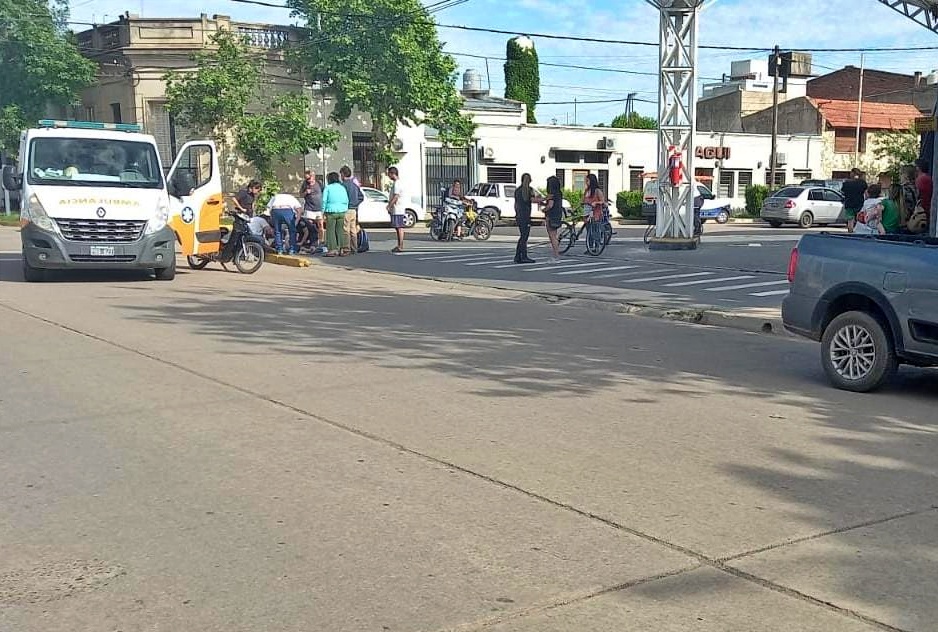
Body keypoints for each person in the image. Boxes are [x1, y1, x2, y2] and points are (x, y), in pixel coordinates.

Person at [322, 172, 351, 257]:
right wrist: (345, 209)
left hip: (331, 211)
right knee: (340, 230)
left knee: (330, 231)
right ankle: (341, 248)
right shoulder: (342, 187)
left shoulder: (328, 188)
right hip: (342, 211)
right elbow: (346, 199)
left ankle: (332, 249)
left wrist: (322, 211)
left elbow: (324, 200)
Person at [266, 189, 303, 255]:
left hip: (275, 210)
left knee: (277, 231)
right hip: (287, 210)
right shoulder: (291, 197)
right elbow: (299, 210)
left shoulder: (276, 196)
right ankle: (292, 249)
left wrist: (272, 217)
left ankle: (279, 249)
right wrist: (296, 221)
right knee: (292, 231)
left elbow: (269, 208)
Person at [513, 173, 540, 264]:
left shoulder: (517, 191)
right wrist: (544, 199)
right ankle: (523, 256)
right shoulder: (529, 190)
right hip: (526, 215)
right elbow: (533, 200)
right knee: (524, 237)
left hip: (519, 215)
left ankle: (518, 256)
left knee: (522, 236)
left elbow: (516, 204)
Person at [340, 166, 365, 254]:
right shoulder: (354, 185)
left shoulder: (343, 185)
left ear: (343, 174)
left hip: (346, 209)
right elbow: (361, 197)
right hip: (354, 209)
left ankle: (347, 248)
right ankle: (354, 247)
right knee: (353, 229)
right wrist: (356, 203)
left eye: (341, 174)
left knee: (345, 230)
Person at [300, 170, 325, 253]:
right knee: (310, 226)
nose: (308, 180)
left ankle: (321, 241)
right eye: (306, 179)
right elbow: (301, 195)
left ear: (313, 176)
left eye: (309, 178)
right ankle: (312, 242)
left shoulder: (319, 183)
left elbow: (324, 192)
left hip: (319, 208)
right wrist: (306, 192)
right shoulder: (305, 184)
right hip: (309, 208)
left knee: (320, 225)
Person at [583, 173, 607, 253]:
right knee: (589, 231)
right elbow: (583, 200)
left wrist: (596, 202)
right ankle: (590, 247)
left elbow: (603, 201)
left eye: (587, 181)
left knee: (595, 231)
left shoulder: (597, 191)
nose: (586, 182)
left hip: (596, 213)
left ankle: (596, 247)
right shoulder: (587, 191)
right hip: (587, 212)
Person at [386, 166, 407, 253]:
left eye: (389, 174)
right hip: (397, 208)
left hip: (397, 209)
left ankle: (400, 245)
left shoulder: (397, 184)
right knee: (397, 227)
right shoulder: (397, 183)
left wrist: (389, 205)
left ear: (392, 174)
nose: (388, 176)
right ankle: (399, 245)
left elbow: (396, 196)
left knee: (399, 227)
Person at [841, 168, 868, 233]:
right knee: (859, 220)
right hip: (859, 204)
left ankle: (850, 233)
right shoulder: (863, 183)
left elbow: (843, 192)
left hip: (849, 204)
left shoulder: (846, 183)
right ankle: (858, 233)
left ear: (852, 173)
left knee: (850, 220)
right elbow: (866, 194)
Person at [544, 175, 564, 262]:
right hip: (557, 215)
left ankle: (556, 256)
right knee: (554, 236)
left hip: (551, 216)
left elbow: (550, 205)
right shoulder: (559, 193)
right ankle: (556, 255)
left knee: (552, 237)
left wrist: (544, 209)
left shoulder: (551, 194)